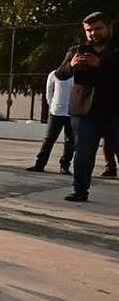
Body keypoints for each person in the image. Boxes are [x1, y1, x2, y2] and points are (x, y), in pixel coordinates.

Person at [54, 11, 119, 202]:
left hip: (114, 110)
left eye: (97, 28)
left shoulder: (115, 50)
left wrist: (100, 64)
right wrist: (71, 65)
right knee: (83, 154)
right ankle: (80, 191)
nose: (93, 33)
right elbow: (60, 74)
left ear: (108, 27)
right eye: (89, 30)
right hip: (84, 111)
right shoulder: (77, 50)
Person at [26, 70, 75, 175]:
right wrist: (52, 105)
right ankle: (40, 164)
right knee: (49, 139)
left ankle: (65, 166)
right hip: (56, 112)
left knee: (70, 141)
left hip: (72, 113)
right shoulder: (54, 74)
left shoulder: (77, 75)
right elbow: (49, 93)